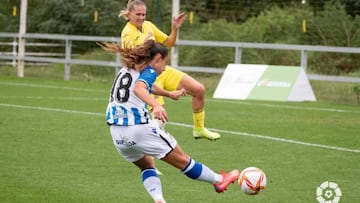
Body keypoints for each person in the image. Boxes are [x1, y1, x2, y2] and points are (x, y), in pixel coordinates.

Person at [99, 40, 239, 203]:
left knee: (147, 166)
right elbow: (139, 88)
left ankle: (159, 200)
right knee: (184, 161)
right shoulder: (150, 71)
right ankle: (218, 180)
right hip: (138, 128)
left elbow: (145, 85)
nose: (164, 68)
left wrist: (168, 94)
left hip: (117, 134)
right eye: (165, 63)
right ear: (157, 58)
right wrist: (156, 105)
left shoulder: (128, 69)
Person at [118, 0, 221, 141]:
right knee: (160, 119)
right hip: (147, 75)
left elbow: (170, 43)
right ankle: (149, 151)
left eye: (144, 14)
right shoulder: (127, 33)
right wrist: (145, 44)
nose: (142, 17)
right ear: (129, 14)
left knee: (198, 89)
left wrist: (175, 28)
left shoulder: (148, 26)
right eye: (138, 14)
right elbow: (133, 60)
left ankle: (199, 129)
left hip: (162, 70)